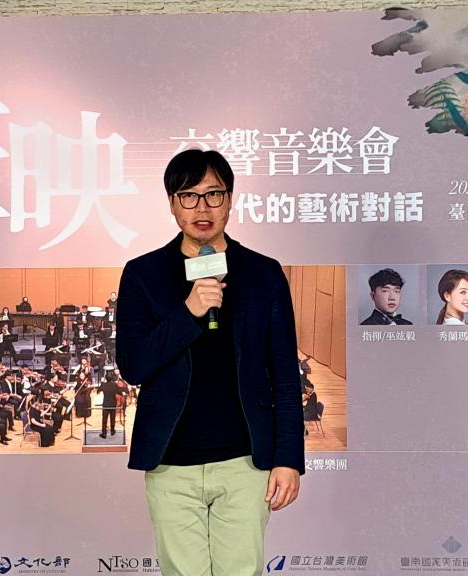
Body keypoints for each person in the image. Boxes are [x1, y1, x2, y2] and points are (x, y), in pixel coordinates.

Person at [117, 149, 303, 576]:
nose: (202, 208)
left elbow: (284, 375)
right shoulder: (143, 273)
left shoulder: (263, 273)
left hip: (245, 462)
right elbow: (133, 365)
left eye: (213, 194)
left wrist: (289, 458)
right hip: (171, 462)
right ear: (172, 203)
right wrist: (189, 312)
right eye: (189, 195)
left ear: (230, 199)